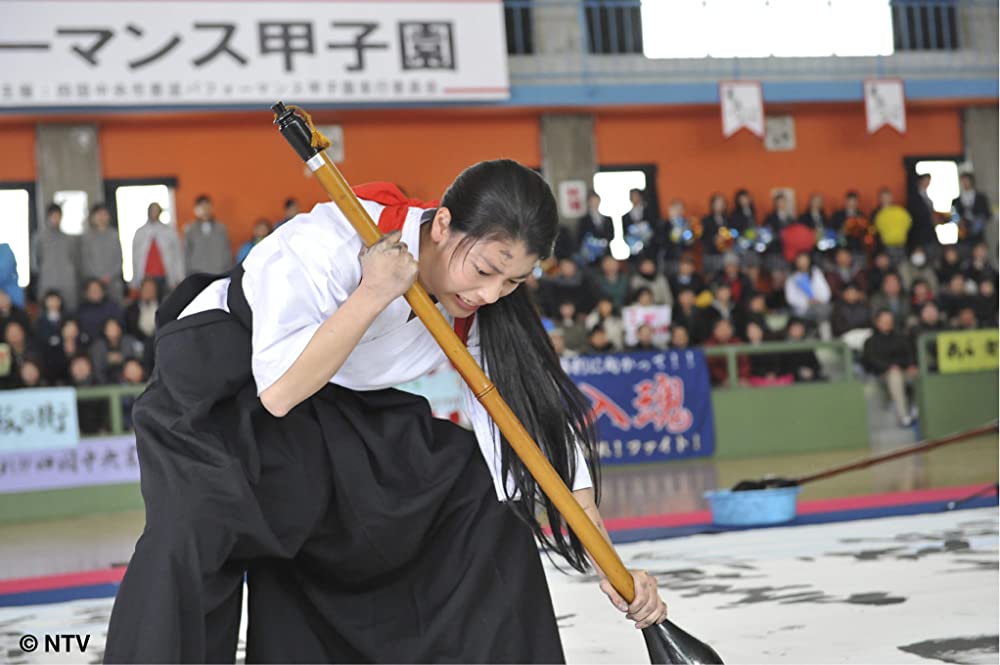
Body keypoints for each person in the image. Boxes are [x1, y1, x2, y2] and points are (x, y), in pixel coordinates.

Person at [104, 160, 667, 663]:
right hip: (222, 382)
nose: (492, 294)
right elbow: (278, 391)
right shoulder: (331, 239)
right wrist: (373, 292)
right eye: (486, 270)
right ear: (442, 225)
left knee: (468, 489)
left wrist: (609, 563)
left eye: (513, 281)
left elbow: (531, 431)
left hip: (334, 403)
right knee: (196, 535)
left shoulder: (475, 305)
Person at [132, 202, 185, 296]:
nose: (154, 213)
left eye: (156, 210)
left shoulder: (169, 231)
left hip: (164, 275)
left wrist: (179, 277)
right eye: (152, 210)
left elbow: (177, 256)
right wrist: (135, 281)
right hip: (146, 276)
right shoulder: (140, 232)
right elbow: (135, 258)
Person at [81, 202, 125, 303]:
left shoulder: (114, 235)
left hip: (113, 281)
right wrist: (98, 277)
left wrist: (109, 276)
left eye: (104, 214)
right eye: (98, 214)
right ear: (92, 217)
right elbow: (86, 260)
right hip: (94, 283)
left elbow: (119, 259)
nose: (101, 217)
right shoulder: (87, 237)